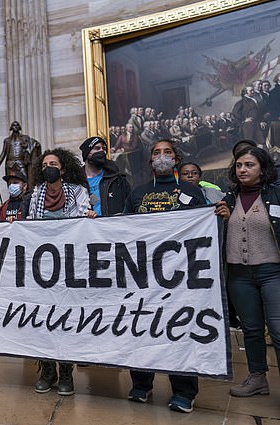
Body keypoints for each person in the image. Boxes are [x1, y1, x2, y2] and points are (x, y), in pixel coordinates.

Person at [124, 140, 205, 413]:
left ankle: (184, 391)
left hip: (180, 277)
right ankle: (141, 384)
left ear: (176, 159)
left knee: (179, 331)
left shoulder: (193, 192)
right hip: (143, 275)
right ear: (150, 161)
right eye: (156, 153)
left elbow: (203, 231)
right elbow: (122, 230)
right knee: (141, 328)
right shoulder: (138, 194)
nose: (161, 156)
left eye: (167, 152)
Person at [27, 148, 93, 397]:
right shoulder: (36, 194)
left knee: (65, 319)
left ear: (63, 168)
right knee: (42, 319)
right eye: (44, 165)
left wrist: (90, 217)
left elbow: (83, 223)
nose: (48, 168)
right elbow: (31, 224)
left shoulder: (77, 192)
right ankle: (47, 370)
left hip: (69, 266)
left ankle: (66, 371)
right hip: (42, 268)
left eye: (53, 164)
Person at [215, 146, 280, 397]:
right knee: (251, 329)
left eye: (249, 165)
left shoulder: (275, 195)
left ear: (262, 169)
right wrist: (223, 218)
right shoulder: (228, 198)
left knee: (277, 329)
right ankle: (257, 378)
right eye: (239, 165)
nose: (243, 169)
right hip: (239, 275)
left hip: (272, 272)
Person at [79, 136, 130, 216]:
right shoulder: (76, 181)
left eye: (104, 148)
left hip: (112, 226)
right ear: (87, 153)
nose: (102, 151)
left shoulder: (118, 180)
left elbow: (130, 206)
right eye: (97, 148)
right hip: (87, 227)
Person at [0, 121, 41, 188]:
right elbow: (3, 153)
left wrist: (35, 145)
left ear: (19, 127)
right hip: (10, 163)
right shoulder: (7, 140)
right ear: (11, 128)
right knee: (10, 181)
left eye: (17, 125)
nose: (15, 127)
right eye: (14, 125)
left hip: (20, 162)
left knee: (25, 179)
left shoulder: (24, 138)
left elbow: (31, 145)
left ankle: (27, 194)